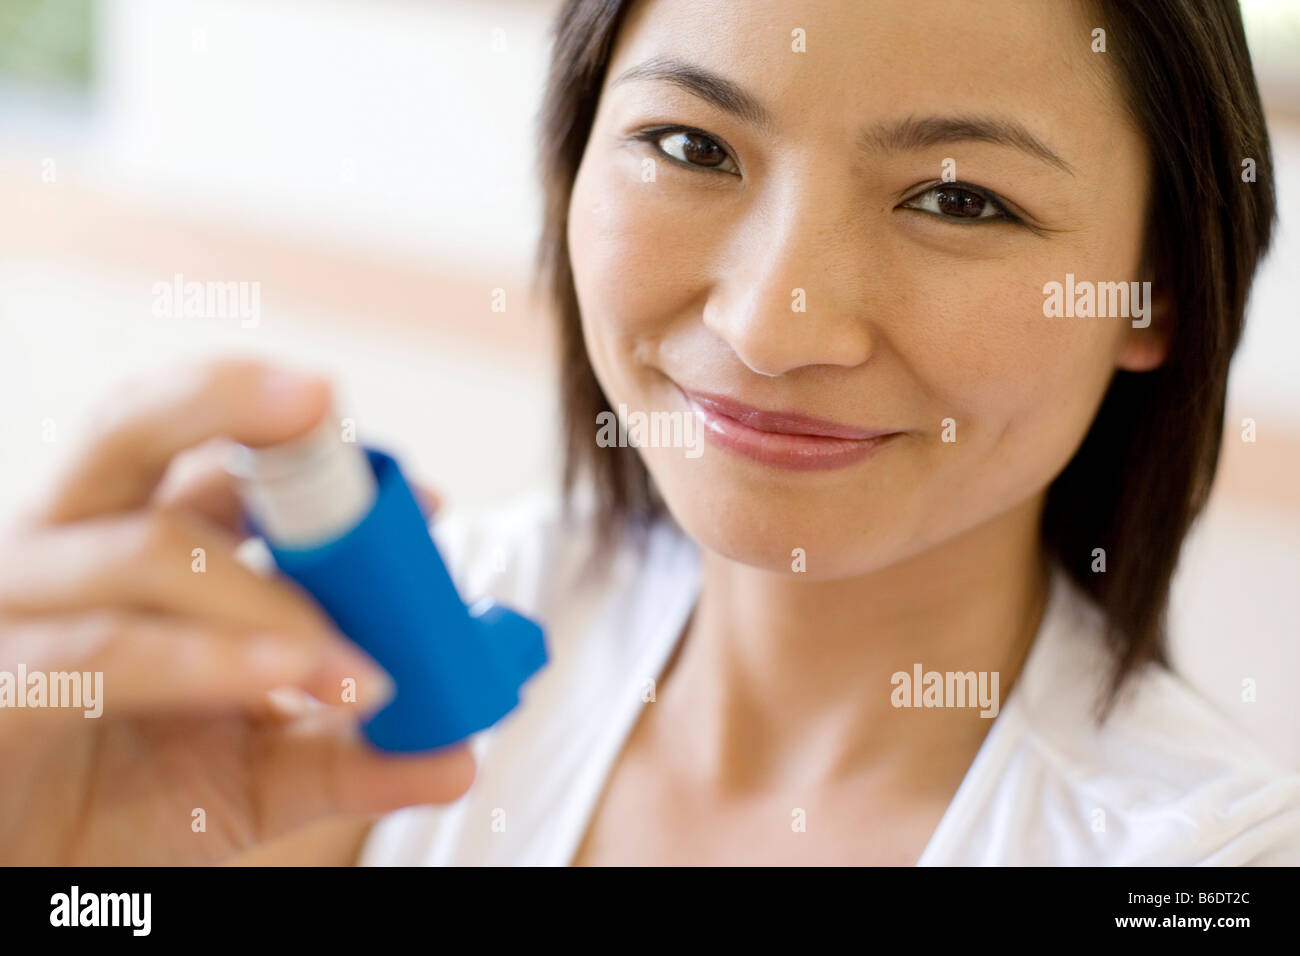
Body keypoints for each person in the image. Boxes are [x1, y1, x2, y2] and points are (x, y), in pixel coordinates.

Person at [2, 0, 1296, 866]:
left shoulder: (1204, 857)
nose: (775, 326)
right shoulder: (359, 685)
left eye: (960, 200)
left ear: (1156, 286)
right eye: (690, 144)